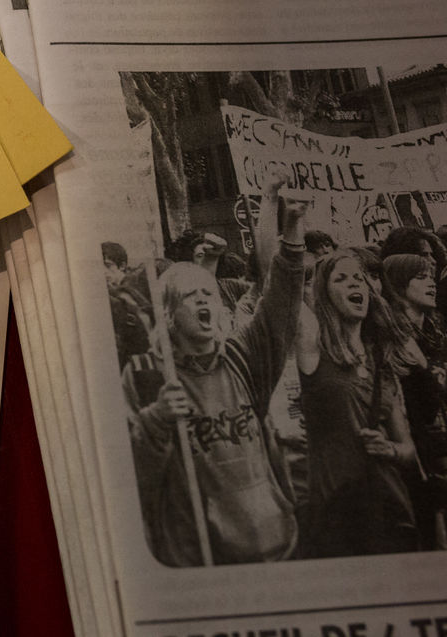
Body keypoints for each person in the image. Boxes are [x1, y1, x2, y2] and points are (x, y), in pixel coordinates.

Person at [121, 187, 306, 566]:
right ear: (169, 313)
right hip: (203, 558)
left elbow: (280, 305)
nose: (205, 299)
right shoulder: (145, 375)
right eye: (191, 295)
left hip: (277, 541)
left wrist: (292, 230)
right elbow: (129, 478)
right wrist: (156, 420)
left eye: (209, 293)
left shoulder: (241, 356)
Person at [296, 248, 419, 557]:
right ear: (324, 294)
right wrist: (288, 224)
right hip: (337, 515)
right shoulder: (314, 352)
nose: (354, 284)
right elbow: (279, 280)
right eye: (341, 279)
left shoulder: (381, 362)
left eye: (358, 278)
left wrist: (388, 448)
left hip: (390, 512)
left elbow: (408, 450)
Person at [381, 253, 447, 548]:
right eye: (421, 277)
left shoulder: (435, 333)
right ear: (397, 286)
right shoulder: (392, 343)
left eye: (431, 276)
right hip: (422, 461)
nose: (431, 282)